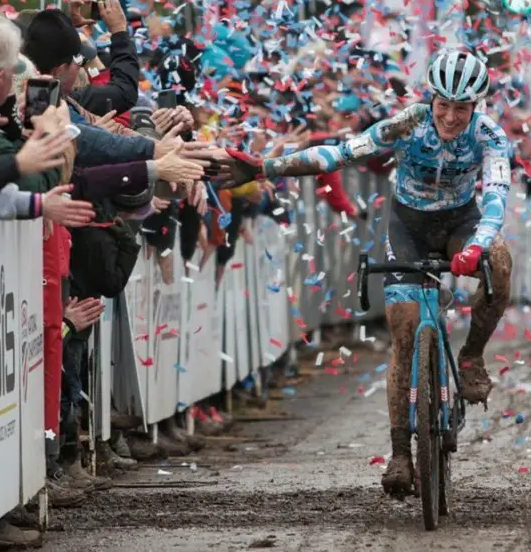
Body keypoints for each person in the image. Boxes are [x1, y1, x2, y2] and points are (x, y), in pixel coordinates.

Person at [219, 49, 515, 498]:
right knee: (404, 327)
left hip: (461, 224)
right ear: (430, 98)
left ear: (476, 107)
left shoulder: (490, 136)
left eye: (462, 108)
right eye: (443, 106)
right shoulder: (407, 124)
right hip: (409, 226)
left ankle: (472, 357)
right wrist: (266, 167)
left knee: (500, 260)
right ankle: (400, 453)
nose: (451, 117)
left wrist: (476, 244)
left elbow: (495, 194)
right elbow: (338, 155)